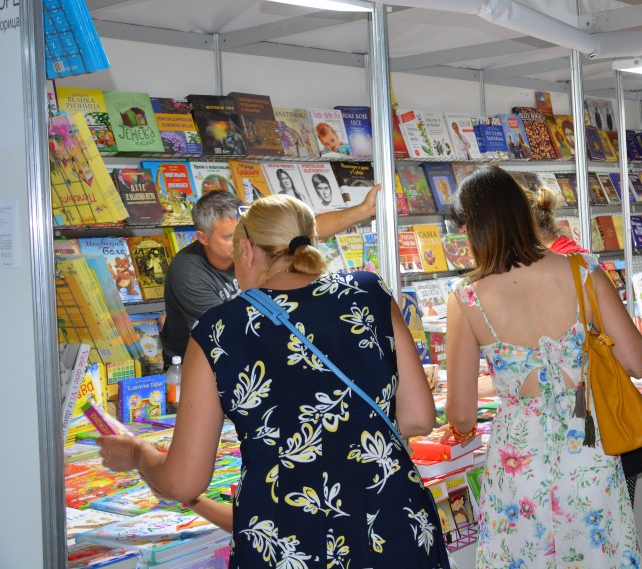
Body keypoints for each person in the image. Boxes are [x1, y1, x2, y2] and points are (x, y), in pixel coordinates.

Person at [98, 195, 449, 567]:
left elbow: (184, 482)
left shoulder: (220, 330)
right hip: (394, 524)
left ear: (247, 250)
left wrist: (137, 454)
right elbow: (418, 418)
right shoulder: (369, 292)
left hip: (288, 538)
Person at [444, 166, 642, 568]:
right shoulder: (581, 270)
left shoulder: (466, 298)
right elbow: (636, 361)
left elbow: (462, 413)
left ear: (474, 228)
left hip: (518, 465)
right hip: (587, 449)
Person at [159, 185, 380, 364]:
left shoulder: (249, 245)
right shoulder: (188, 271)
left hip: (256, 348)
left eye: (242, 233)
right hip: (200, 362)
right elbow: (227, 335)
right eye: (228, 237)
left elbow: (301, 235)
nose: (241, 242)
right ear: (203, 238)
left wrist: (363, 210)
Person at [526, 186, 642, 506]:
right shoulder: (580, 264)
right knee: (614, 532)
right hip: (603, 433)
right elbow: (636, 361)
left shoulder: (550, 272)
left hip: (563, 442)